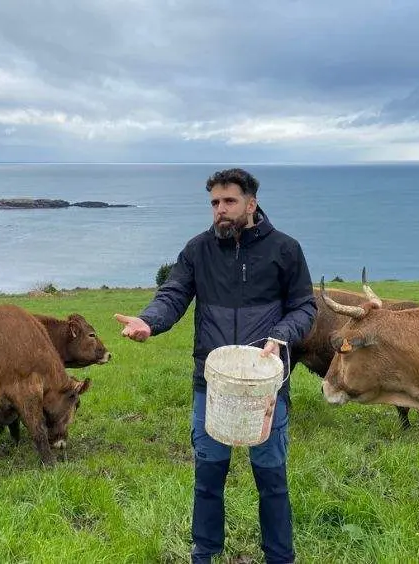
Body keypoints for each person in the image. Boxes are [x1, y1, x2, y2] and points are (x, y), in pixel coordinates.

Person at [114, 168, 317, 563]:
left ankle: (280, 557)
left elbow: (305, 306)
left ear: (251, 204)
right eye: (214, 203)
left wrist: (281, 334)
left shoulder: (285, 249)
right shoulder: (197, 250)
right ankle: (203, 555)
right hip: (212, 386)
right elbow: (173, 295)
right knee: (208, 479)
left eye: (229, 202)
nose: (220, 211)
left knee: (271, 480)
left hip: (265, 386)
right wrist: (148, 321)